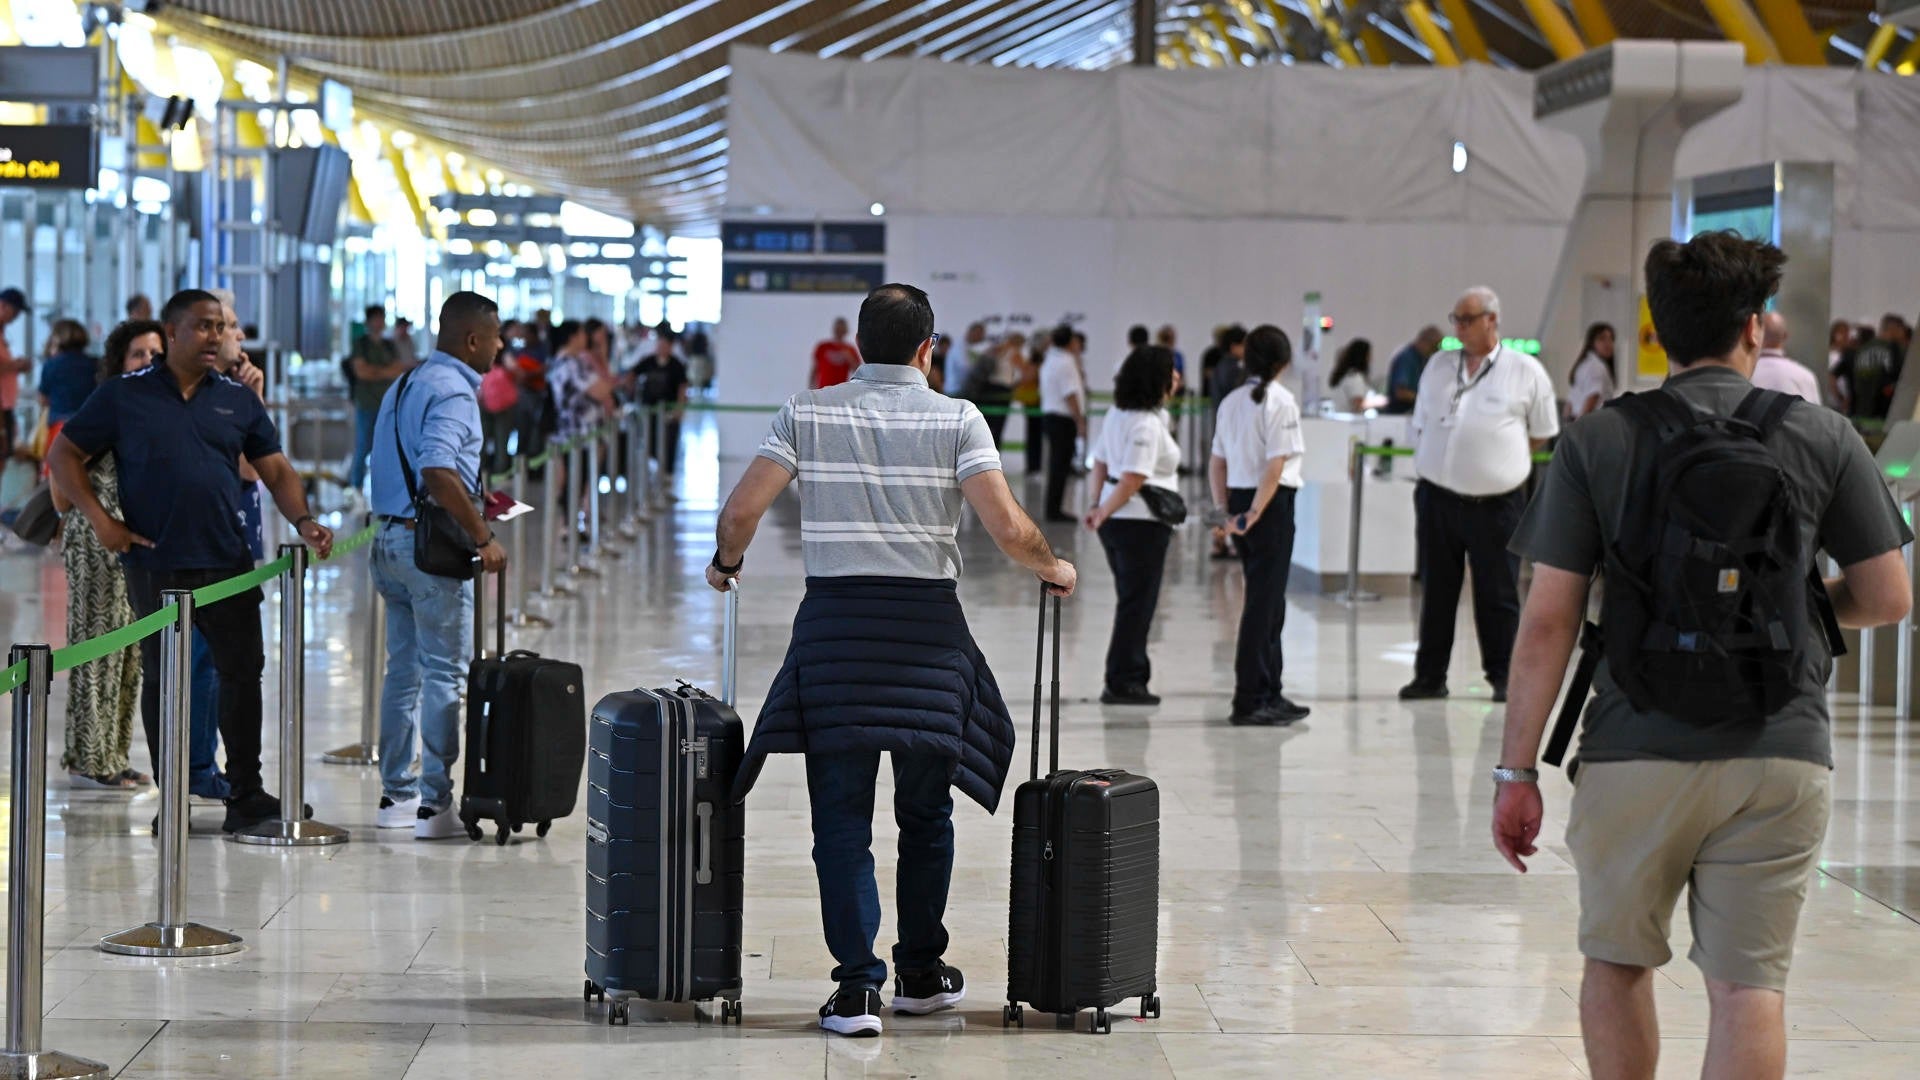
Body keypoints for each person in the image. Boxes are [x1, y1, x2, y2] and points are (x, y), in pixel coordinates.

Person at [1495, 231, 1912, 1080]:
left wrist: (1516, 773)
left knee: (1616, 964)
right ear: (1755, 327)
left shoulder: (1597, 442)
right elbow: (1889, 595)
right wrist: (1796, 610)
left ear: (1658, 327)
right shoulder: (1824, 435)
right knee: (1748, 987)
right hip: (1781, 748)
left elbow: (1548, 623)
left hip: (1633, 743)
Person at [711, 282, 1076, 1039]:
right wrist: (1053, 567)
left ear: (855, 348)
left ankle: (855, 992)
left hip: (836, 635)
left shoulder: (807, 410)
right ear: (927, 349)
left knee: (840, 822)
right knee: (926, 813)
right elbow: (1007, 527)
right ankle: (918, 971)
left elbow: (743, 512)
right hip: (925, 644)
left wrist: (725, 563)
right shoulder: (958, 418)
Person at [47, 289, 335, 833]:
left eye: (221, 327)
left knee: (241, 675)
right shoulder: (123, 396)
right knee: (165, 682)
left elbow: (273, 469)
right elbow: (64, 454)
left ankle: (245, 792)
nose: (216, 336)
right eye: (204, 326)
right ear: (172, 332)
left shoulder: (235, 399)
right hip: (156, 563)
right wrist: (102, 521)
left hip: (227, 561)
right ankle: (173, 795)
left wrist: (304, 520)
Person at [368, 291, 507, 839]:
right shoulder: (454, 392)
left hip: (389, 541)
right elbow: (435, 469)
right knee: (445, 672)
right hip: (431, 555)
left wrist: (474, 495)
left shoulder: (406, 382)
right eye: (496, 336)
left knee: (402, 672)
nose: (500, 346)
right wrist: (483, 535)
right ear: (473, 339)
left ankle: (395, 796)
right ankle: (435, 805)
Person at [1401, 286, 1559, 703]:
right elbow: (1420, 423)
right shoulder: (1438, 366)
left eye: (1467, 319)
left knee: (1498, 593)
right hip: (1437, 499)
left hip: (1497, 504)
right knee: (1436, 590)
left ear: (1492, 320)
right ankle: (1429, 676)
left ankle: (1504, 675)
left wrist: (1500, 461)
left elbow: (1542, 433)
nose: (1458, 328)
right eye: (1455, 319)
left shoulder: (1525, 371)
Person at [53, 319, 165, 791]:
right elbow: (61, 476)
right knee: (96, 648)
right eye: (138, 354)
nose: (147, 364)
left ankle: (114, 755)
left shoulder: (154, 409)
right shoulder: (107, 407)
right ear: (119, 362)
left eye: (155, 355)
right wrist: (97, 519)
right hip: (97, 542)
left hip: (133, 544)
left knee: (129, 653)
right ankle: (89, 757)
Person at [1211, 325, 1308, 726]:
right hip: (1268, 506)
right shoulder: (1281, 401)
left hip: (1238, 498)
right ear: (1283, 361)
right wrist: (1254, 513)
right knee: (1262, 607)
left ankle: (1271, 689)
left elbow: (1218, 461)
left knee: (1270, 604)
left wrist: (1224, 512)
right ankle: (1249, 698)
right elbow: (1276, 463)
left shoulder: (1232, 401)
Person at [1084, 345, 1180, 707]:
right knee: (1137, 604)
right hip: (1139, 523)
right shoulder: (1146, 423)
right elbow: (1133, 478)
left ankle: (1127, 674)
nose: (1177, 378)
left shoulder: (1118, 414)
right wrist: (1103, 510)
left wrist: (1097, 505)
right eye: (1171, 371)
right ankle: (1125, 679)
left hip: (1120, 521)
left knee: (1132, 601)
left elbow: (1100, 464)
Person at [347, 304, 404, 493]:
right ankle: (356, 487)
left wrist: (374, 371)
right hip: (366, 402)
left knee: (388, 447)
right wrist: (384, 372)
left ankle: (385, 487)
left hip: (386, 403)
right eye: (376, 318)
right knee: (363, 444)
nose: (379, 322)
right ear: (369, 321)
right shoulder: (361, 344)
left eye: (382, 318)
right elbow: (362, 372)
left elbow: (398, 370)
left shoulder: (389, 344)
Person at [1038, 324, 1086, 523]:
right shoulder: (1066, 362)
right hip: (1062, 419)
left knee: (1056, 464)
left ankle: (1053, 507)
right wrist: (1080, 420)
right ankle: (1055, 510)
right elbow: (1070, 394)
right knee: (1060, 465)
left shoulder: (1050, 358)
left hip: (1050, 416)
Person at [633, 326, 691, 482]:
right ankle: (652, 474)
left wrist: (679, 408)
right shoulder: (648, 361)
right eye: (660, 344)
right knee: (649, 442)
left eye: (665, 345)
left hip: (668, 413)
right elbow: (633, 374)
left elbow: (683, 387)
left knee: (669, 443)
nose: (661, 348)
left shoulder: (676, 365)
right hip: (649, 411)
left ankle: (667, 476)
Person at [1833, 314, 1909, 420]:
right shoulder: (1895, 349)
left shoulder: (1858, 350)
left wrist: (1842, 398)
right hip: (1883, 415)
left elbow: (1833, 375)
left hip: (1857, 414)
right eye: (1901, 330)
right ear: (1894, 329)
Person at [37, 319, 95, 449]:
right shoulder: (94, 364)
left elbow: (43, 399)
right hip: (89, 428)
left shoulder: (51, 364)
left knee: (58, 467)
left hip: (59, 428)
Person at [1750, 312, 1822, 403]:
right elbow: (1814, 415)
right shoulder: (1805, 376)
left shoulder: (1746, 374)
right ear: (1785, 336)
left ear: (1755, 335)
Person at [1384, 326, 1444, 416]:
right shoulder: (1407, 359)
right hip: (1400, 414)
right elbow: (1401, 392)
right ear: (1424, 342)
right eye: (1433, 348)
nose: (1433, 352)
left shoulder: (1421, 359)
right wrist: (1426, 400)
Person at [1567, 322, 1618, 420]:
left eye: (1611, 339)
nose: (1608, 343)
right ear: (1592, 342)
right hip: (1590, 422)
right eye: (1602, 339)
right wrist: (1580, 426)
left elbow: (1571, 400)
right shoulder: (1597, 367)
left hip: (1576, 419)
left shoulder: (1584, 364)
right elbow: (1592, 397)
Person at [0, 287, 25, 461]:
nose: (15, 318)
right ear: (3, 306)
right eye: (14, 312)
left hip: (6, 405)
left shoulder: (2, 333)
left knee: (5, 455)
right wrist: (15, 365)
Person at [811, 316, 861, 389]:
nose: (839, 332)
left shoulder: (850, 349)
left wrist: (849, 358)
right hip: (822, 389)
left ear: (845, 331)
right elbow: (814, 369)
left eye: (841, 330)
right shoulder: (823, 347)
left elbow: (858, 371)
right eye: (838, 329)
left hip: (840, 390)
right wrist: (811, 387)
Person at [1328, 338, 1374, 412]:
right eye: (1369, 354)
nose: (1371, 358)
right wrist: (1378, 403)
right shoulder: (1355, 378)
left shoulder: (1345, 375)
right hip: (1350, 421)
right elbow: (1358, 404)